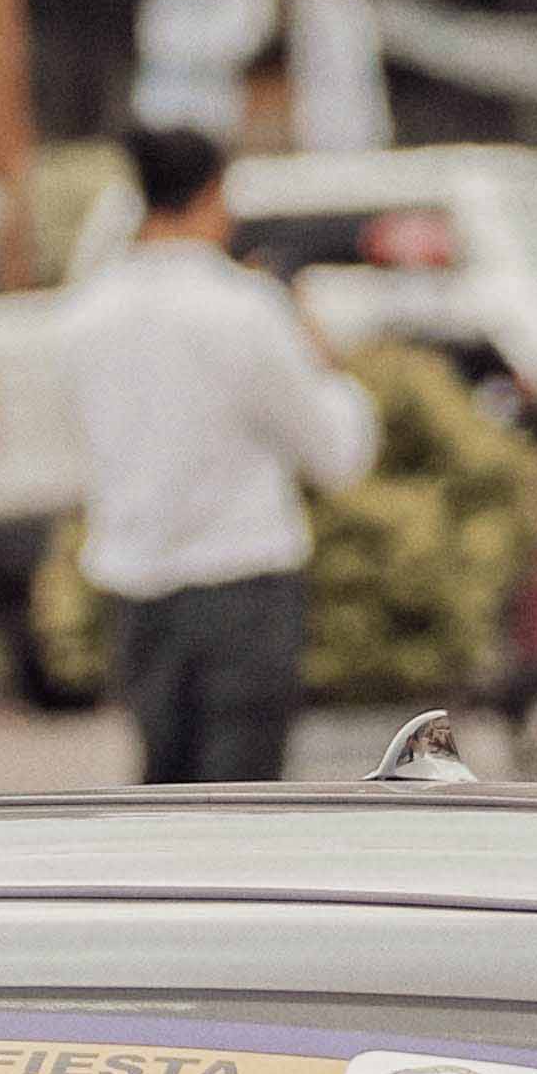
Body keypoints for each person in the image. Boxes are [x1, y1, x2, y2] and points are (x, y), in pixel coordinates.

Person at [60, 122, 375, 785]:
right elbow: (337, 452)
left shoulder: (86, 314)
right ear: (212, 194)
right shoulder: (244, 309)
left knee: (166, 797)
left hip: (137, 590)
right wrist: (328, 362)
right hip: (243, 587)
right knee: (242, 806)